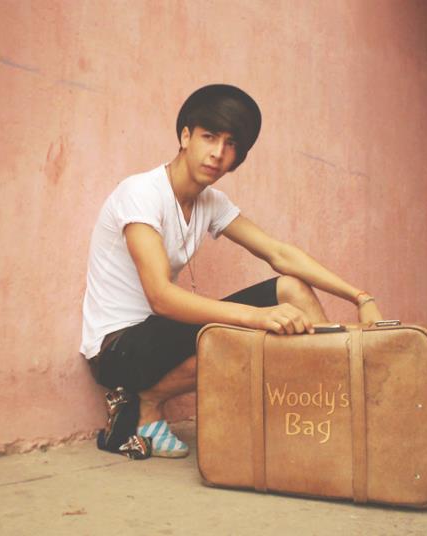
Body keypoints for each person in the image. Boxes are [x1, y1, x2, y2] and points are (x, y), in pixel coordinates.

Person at [80, 84, 383, 458]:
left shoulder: (211, 202)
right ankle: (350, 429)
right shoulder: (140, 193)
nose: (218, 153)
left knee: (291, 288)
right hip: (117, 350)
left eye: (231, 144)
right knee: (254, 329)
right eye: (209, 137)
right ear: (185, 137)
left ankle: (346, 417)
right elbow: (160, 297)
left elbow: (278, 252)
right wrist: (256, 317)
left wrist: (360, 297)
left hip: (160, 341)